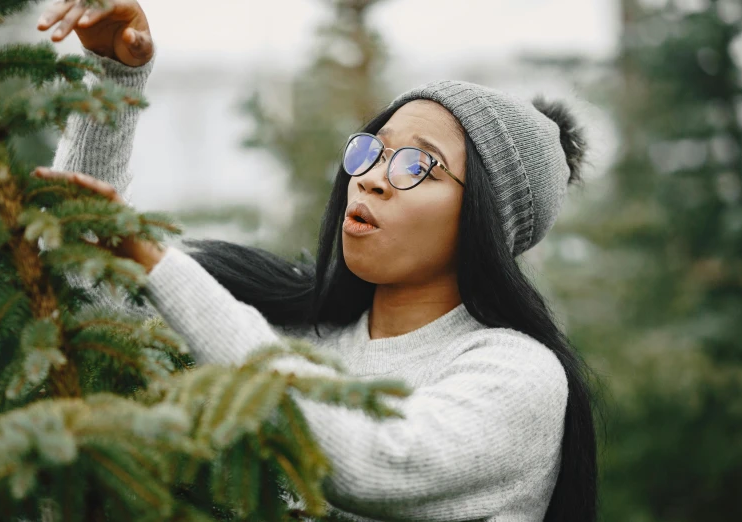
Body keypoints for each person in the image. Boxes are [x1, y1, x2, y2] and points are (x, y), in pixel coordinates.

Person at [34, 1, 600, 521]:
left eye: (417, 165)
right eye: (373, 148)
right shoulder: (297, 331)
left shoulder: (517, 374)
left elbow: (372, 463)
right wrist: (113, 76)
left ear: (486, 222)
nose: (373, 179)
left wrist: (161, 263)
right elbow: (81, 280)